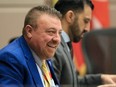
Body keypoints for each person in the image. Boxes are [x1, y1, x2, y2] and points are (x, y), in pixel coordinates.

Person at [52, 0, 116, 87]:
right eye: (85, 21)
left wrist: (100, 79)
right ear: (70, 16)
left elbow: (71, 82)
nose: (87, 29)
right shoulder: (53, 48)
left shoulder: (65, 44)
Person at [0, 5, 62, 87]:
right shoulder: (11, 59)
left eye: (59, 33)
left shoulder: (43, 54)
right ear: (29, 31)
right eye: (51, 32)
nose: (57, 39)